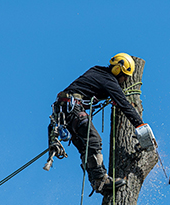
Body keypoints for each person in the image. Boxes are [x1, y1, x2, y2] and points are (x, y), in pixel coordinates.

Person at [50, 53, 155, 195]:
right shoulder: (108, 80)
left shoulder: (97, 71)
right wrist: (140, 126)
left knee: (85, 149)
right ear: (118, 70)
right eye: (125, 76)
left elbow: (91, 88)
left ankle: (97, 182)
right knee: (94, 140)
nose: (124, 81)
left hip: (63, 113)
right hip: (72, 109)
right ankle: (100, 179)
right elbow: (124, 104)